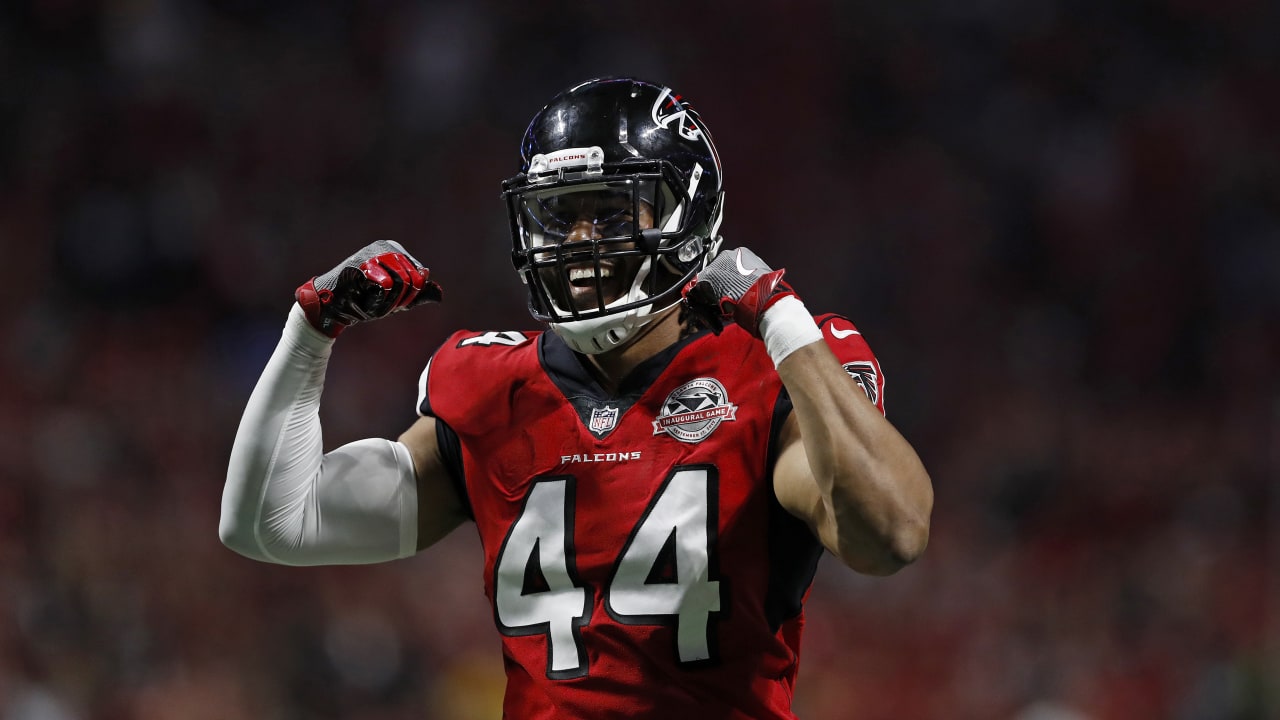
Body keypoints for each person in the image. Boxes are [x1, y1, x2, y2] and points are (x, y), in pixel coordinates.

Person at [220, 77, 933, 719]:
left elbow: (890, 536)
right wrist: (311, 332)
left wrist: (782, 319)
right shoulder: (493, 384)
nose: (581, 243)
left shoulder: (767, 371)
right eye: (562, 217)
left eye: (612, 213)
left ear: (688, 218)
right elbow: (275, 523)